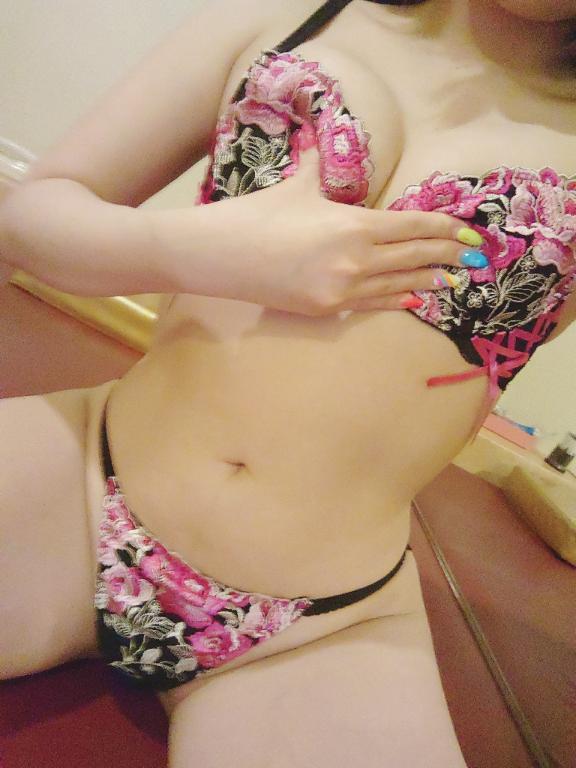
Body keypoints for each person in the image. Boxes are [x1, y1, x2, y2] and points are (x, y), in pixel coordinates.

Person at [1, 0, 575, 765]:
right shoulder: (293, 12)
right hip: (82, 478)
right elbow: (29, 217)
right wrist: (194, 251)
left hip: (325, 625)